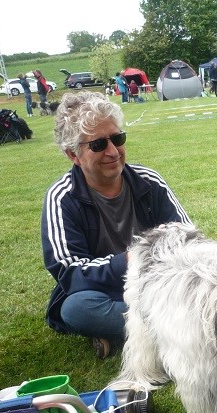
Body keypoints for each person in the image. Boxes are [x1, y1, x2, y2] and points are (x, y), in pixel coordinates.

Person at [41, 91, 191, 358]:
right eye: (98, 145)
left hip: (158, 285)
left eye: (118, 139)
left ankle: (138, 334)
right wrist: (131, 259)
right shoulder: (62, 198)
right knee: (76, 308)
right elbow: (70, 273)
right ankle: (179, 330)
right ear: (73, 155)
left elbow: (186, 236)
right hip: (106, 293)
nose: (113, 152)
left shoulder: (149, 180)